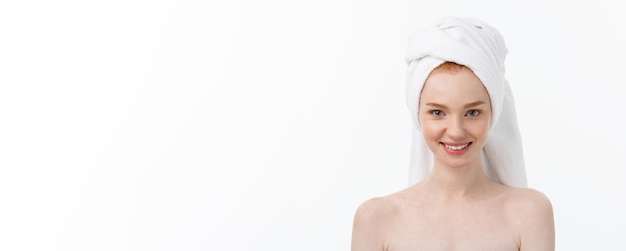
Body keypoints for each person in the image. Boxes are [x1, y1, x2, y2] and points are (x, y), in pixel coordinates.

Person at [351, 17, 555, 250]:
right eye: (438, 112)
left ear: (494, 113)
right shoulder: (376, 219)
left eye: (473, 112)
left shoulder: (529, 213)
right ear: (418, 114)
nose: (456, 131)